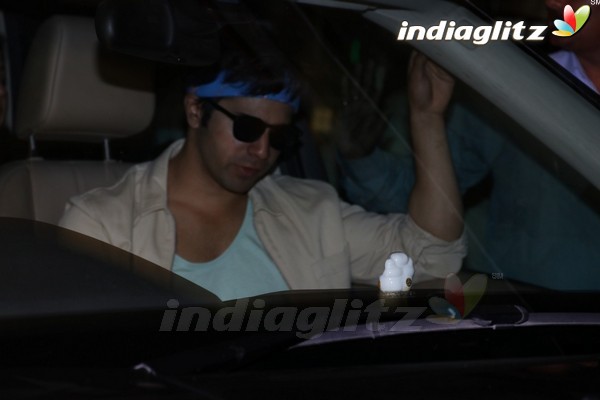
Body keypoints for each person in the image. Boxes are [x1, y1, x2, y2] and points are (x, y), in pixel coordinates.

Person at [58, 47, 465, 301]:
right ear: (195, 110)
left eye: (280, 136)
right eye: (247, 129)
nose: (263, 150)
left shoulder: (311, 212)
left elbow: (433, 254)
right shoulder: (103, 226)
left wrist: (426, 118)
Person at [336, 3, 600, 291]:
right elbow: (430, 206)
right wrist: (362, 158)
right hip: (545, 318)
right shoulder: (520, 93)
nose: (552, 3)